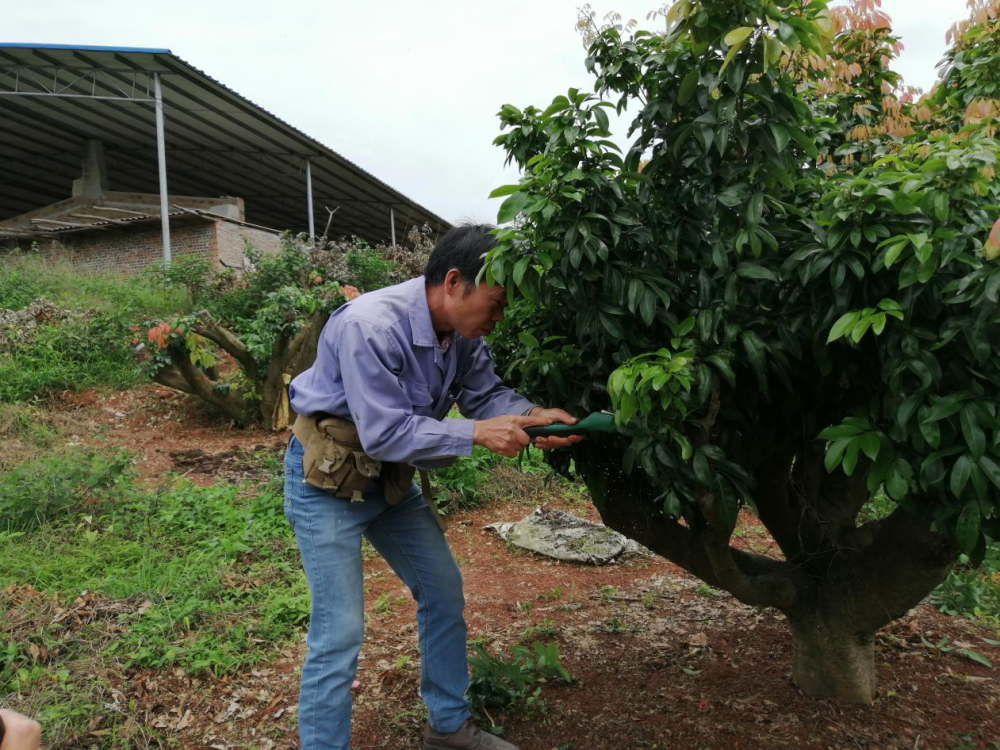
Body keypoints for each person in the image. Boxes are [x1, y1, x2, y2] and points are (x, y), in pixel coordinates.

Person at [284, 224, 581, 750]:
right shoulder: (371, 327)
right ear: (453, 282)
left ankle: (447, 727)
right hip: (327, 483)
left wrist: (532, 417)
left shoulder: (461, 336)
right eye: (495, 303)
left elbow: (485, 394)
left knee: (442, 593)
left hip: (390, 482)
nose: (499, 317)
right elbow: (386, 430)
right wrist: (475, 434)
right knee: (339, 633)